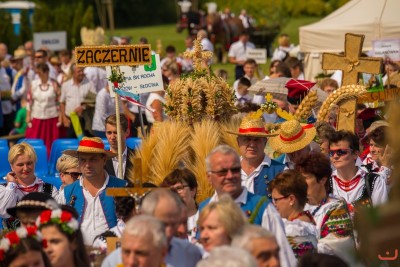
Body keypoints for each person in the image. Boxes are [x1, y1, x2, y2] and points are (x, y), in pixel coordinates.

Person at [200, 145, 296, 267]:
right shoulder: (203, 208)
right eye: (222, 172)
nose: (230, 176)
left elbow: (283, 256)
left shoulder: (263, 208)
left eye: (235, 170)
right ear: (209, 177)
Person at [102, 188, 202, 267]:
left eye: (174, 224)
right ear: (144, 217)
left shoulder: (190, 254)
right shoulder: (115, 261)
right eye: (163, 224)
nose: (169, 232)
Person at [57, 137, 127, 245]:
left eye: (93, 159)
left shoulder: (122, 188)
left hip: (112, 250)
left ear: (104, 160)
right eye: (83, 160)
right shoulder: (67, 193)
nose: (87, 165)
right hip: (79, 253)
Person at [295, 152, 358, 265]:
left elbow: (334, 248)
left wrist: (298, 244)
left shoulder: (337, 207)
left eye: (306, 178)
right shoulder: (298, 206)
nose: (300, 183)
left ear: (322, 180)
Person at [0, 143, 58, 229]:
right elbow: (4, 212)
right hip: (14, 240)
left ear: (35, 163)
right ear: (11, 166)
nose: (26, 168)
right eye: (20, 164)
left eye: (29, 163)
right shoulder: (3, 189)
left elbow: (57, 218)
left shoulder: (50, 189)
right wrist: (12, 184)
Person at [328, 130, 388, 211]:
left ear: (355, 154)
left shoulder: (374, 180)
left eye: (341, 152)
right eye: (331, 153)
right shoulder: (325, 183)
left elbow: (382, 217)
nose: (335, 156)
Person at [228, 114, 285, 197]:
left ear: (265, 142)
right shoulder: (227, 171)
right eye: (247, 139)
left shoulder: (281, 172)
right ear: (238, 142)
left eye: (257, 139)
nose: (252, 144)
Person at [268, 170, 318, 258]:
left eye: (276, 200)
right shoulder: (307, 219)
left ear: (291, 199)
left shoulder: (294, 230)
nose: (274, 204)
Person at [101, 215, 168, 267]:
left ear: (162, 254)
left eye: (140, 253)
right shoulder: (111, 262)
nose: (131, 262)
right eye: (126, 252)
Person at [25, 62, 62, 156]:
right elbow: (29, 101)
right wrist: (28, 115)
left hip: (52, 116)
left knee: (51, 141)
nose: (38, 75)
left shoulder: (54, 84)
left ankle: (51, 160)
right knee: (35, 139)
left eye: (40, 73)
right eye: (37, 73)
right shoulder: (34, 84)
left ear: (46, 72)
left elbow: (59, 102)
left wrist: (61, 117)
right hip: (37, 116)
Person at [161, 168, 199, 242]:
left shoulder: (206, 215)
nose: (175, 193)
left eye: (179, 188)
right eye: (171, 190)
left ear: (193, 190)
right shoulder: (166, 224)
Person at [59, 63, 96, 138]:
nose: (81, 73)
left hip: (85, 120)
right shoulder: (65, 85)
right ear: (73, 73)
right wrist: (64, 118)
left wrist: (83, 107)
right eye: (79, 71)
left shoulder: (90, 84)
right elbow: (62, 102)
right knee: (71, 143)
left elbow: (94, 100)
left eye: (82, 71)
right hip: (70, 120)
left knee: (87, 143)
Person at [104, 114, 135, 180]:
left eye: (116, 133)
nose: (112, 137)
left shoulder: (137, 156)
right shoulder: (101, 159)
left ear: (127, 132)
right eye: (109, 133)